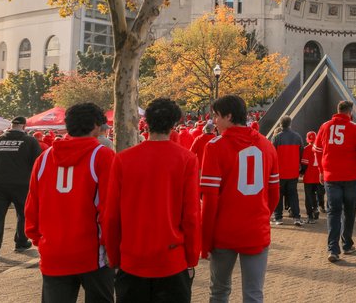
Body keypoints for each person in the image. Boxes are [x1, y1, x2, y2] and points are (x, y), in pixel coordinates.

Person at [105, 98, 200, 303]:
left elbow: (112, 215)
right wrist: (192, 257)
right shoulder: (186, 159)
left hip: (132, 258)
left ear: (146, 122)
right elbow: (191, 215)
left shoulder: (122, 159)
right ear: (174, 124)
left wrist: (114, 257)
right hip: (172, 260)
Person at [25, 103, 116, 303]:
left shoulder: (44, 158)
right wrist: (111, 246)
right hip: (92, 253)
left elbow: (32, 204)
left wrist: (37, 238)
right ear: (95, 126)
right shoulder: (102, 155)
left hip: (53, 251)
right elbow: (109, 208)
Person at [200, 95, 279, 303]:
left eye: (216, 116)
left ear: (229, 116)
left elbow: (209, 200)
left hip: (223, 232)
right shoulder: (267, 145)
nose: (213, 121)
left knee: (219, 291)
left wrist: (204, 241)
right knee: (254, 293)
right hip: (256, 230)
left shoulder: (214, 147)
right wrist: (261, 215)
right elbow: (274, 194)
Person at [0, 116, 43, 260]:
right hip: (22, 184)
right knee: (23, 214)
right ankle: (20, 242)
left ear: (11, 125)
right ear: (24, 127)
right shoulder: (30, 141)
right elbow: (39, 162)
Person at [314, 100, 356, 262]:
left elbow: (316, 150)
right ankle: (347, 244)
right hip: (351, 177)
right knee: (349, 211)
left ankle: (333, 248)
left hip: (331, 177)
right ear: (350, 113)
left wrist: (321, 171)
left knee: (333, 212)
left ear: (337, 110)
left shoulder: (325, 126)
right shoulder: (355, 128)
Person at [271, 116, 304, 226]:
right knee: (293, 194)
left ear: (281, 124)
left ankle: (278, 217)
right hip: (293, 171)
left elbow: (272, 155)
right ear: (290, 124)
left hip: (279, 172)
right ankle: (296, 217)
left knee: (278, 195)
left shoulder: (276, 138)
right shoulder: (297, 137)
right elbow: (301, 154)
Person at [300, 131, 323, 223]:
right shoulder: (320, 147)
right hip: (318, 176)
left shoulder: (307, 149)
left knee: (308, 196)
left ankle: (310, 216)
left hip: (309, 177)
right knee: (316, 194)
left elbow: (305, 164)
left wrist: (301, 173)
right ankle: (316, 208)